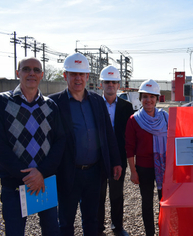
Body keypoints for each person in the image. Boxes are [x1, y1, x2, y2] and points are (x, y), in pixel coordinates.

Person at [0, 57, 65, 236]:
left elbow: (60, 141)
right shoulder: (2, 102)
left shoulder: (50, 106)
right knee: (14, 232)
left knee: (52, 231)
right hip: (14, 185)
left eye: (36, 70)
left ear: (42, 75)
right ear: (18, 73)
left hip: (44, 182)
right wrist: (29, 176)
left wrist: (41, 172)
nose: (32, 73)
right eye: (26, 69)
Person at [49, 53, 122, 236]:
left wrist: (116, 161)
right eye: (73, 74)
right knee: (65, 221)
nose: (78, 78)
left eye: (82, 74)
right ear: (65, 76)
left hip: (94, 173)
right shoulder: (54, 103)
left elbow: (108, 134)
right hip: (68, 172)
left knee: (92, 219)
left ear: (88, 77)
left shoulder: (97, 101)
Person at [125, 79, 168, 236]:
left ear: (157, 98)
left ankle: (165, 230)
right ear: (140, 98)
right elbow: (129, 148)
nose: (148, 100)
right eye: (145, 96)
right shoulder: (134, 120)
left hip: (165, 167)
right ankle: (150, 233)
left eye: (152, 96)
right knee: (147, 202)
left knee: (164, 202)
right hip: (144, 168)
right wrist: (133, 171)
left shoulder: (165, 118)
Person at [98, 66, 133, 236]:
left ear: (119, 85)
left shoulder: (127, 107)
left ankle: (117, 226)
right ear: (101, 84)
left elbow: (130, 133)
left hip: (118, 156)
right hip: (97, 157)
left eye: (113, 82)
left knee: (116, 193)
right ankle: (98, 228)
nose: (110, 85)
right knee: (98, 193)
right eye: (107, 82)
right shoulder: (95, 104)